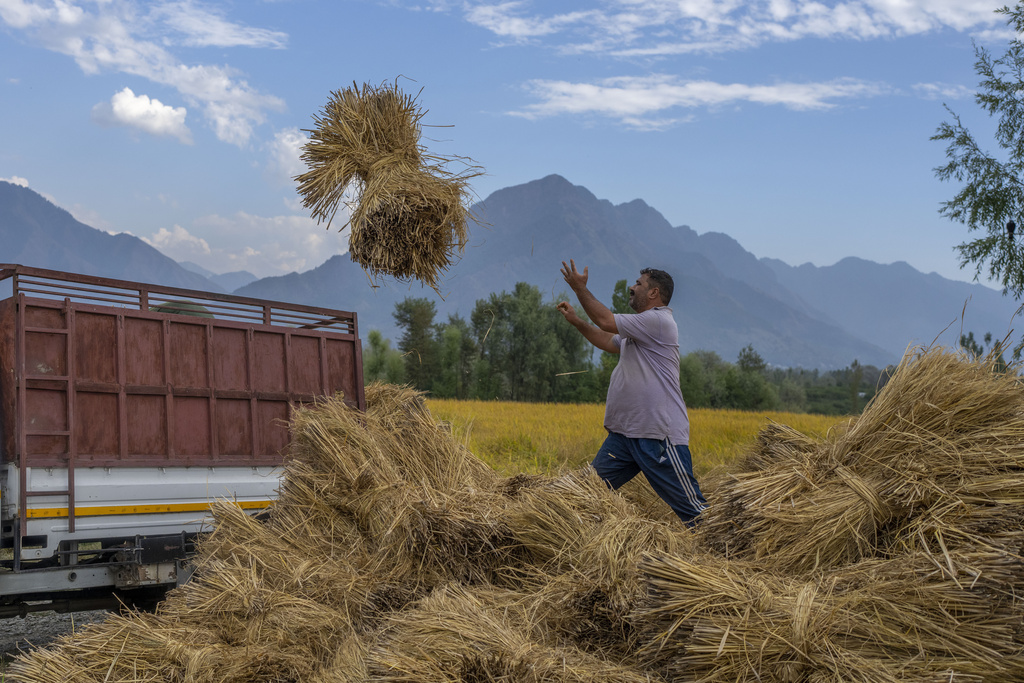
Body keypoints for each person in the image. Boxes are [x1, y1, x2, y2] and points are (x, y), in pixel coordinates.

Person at [556, 259, 707, 526]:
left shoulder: (658, 321)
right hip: (625, 436)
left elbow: (605, 321)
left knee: (696, 513)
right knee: (581, 493)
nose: (631, 287)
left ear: (653, 293)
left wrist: (580, 289)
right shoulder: (640, 329)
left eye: (638, 284)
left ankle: (728, 555)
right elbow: (607, 340)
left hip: (658, 437)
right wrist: (577, 322)